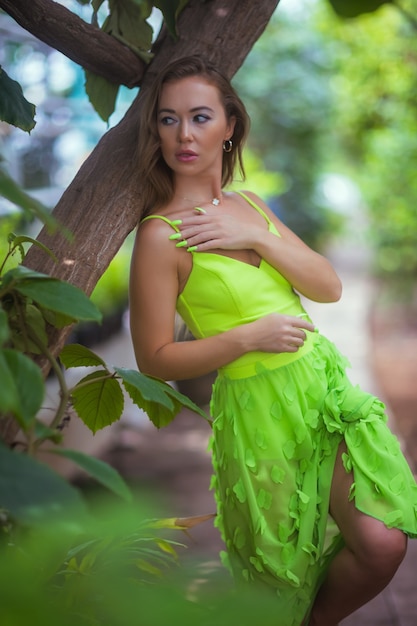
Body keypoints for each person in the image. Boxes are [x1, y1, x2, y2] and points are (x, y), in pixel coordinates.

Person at [129, 55, 417, 626]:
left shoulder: (250, 206)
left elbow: (328, 286)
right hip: (259, 412)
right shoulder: (160, 237)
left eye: (200, 116)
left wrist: (253, 234)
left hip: (323, 393)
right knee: (280, 574)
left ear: (230, 125)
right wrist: (248, 336)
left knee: (384, 542)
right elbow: (154, 359)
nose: (184, 134)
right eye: (168, 119)